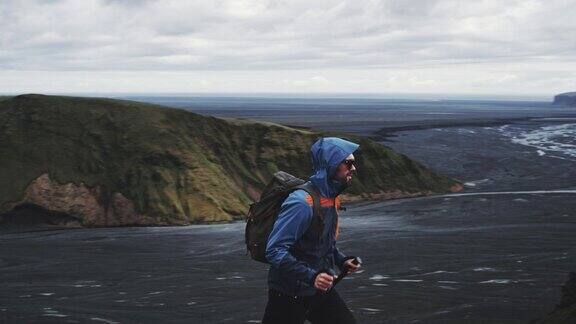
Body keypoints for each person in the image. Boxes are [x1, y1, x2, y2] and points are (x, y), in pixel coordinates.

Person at [262, 137, 362, 324]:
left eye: (353, 163)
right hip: (288, 293)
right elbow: (274, 250)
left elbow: (322, 244)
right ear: (331, 164)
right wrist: (312, 276)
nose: (353, 168)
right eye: (348, 163)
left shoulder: (331, 198)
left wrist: (342, 260)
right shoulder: (301, 203)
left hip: (319, 288)